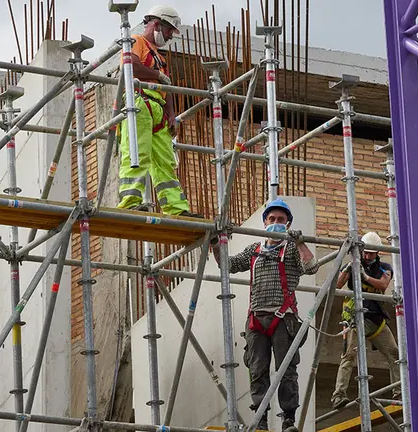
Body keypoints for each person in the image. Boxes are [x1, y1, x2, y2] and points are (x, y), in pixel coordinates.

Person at [211, 199, 319, 432]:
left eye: (281, 220)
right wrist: (215, 243)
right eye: (272, 219)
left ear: (288, 223)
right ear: (265, 222)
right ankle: (260, 418)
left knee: (286, 370)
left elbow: (311, 267)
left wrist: (299, 242)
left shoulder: (290, 249)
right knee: (258, 371)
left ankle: (288, 419)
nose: (276, 223)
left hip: (284, 319)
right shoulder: (255, 250)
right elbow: (228, 265)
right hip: (257, 320)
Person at [116, 5, 202, 218]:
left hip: (158, 110)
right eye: (168, 30)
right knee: (136, 154)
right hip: (140, 103)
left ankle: (177, 209)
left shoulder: (159, 56)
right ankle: (129, 203)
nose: (170, 36)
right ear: (156, 24)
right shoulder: (136, 41)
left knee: (165, 162)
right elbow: (130, 67)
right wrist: (157, 75)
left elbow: (167, 85)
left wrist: (172, 115)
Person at [331, 231, 399, 410]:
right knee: (349, 356)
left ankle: (399, 393)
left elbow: (384, 285)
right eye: (365, 252)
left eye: (371, 253)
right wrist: (347, 269)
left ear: (377, 253)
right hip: (354, 317)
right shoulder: (354, 264)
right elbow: (336, 286)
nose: (368, 256)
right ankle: (338, 395)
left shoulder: (384, 267)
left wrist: (365, 277)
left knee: (394, 353)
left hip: (375, 317)